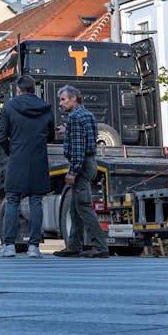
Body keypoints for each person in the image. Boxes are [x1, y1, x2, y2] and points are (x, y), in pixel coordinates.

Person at [0, 75, 56, 259]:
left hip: (17, 160)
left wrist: (11, 150)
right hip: (38, 160)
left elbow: (0, 136)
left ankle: (9, 245)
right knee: (36, 201)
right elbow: (51, 135)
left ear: (18, 90)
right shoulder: (45, 109)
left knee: (12, 200)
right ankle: (34, 247)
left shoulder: (9, 108)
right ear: (33, 90)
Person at [53, 86, 108, 258]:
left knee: (83, 207)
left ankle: (101, 247)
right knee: (74, 208)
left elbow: (78, 148)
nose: (60, 103)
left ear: (74, 98)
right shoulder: (87, 115)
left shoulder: (75, 118)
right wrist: (66, 129)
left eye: (63, 99)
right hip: (90, 163)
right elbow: (85, 136)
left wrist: (72, 172)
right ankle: (74, 245)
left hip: (82, 165)